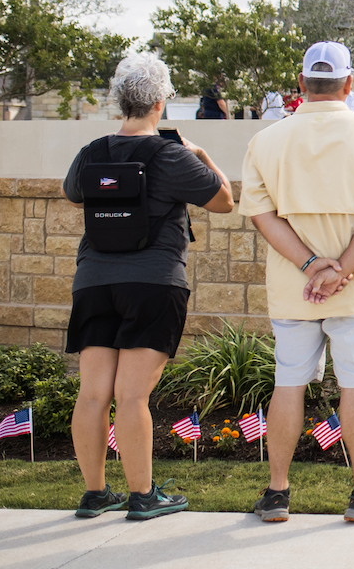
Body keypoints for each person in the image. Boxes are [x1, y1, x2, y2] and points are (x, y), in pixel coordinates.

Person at [239, 42, 354, 524]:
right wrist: (340, 270)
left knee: (288, 384)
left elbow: (261, 215)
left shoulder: (266, 140)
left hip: (292, 288)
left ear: (301, 84)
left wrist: (313, 266)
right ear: (349, 84)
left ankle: (276, 494)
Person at [63, 52, 233, 521]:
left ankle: (96, 493)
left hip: (93, 283)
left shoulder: (91, 152)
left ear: (121, 102)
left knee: (93, 393)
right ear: (160, 102)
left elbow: (72, 192)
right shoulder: (172, 155)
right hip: (153, 283)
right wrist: (201, 154)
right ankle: (142, 495)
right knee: (133, 396)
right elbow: (224, 202)